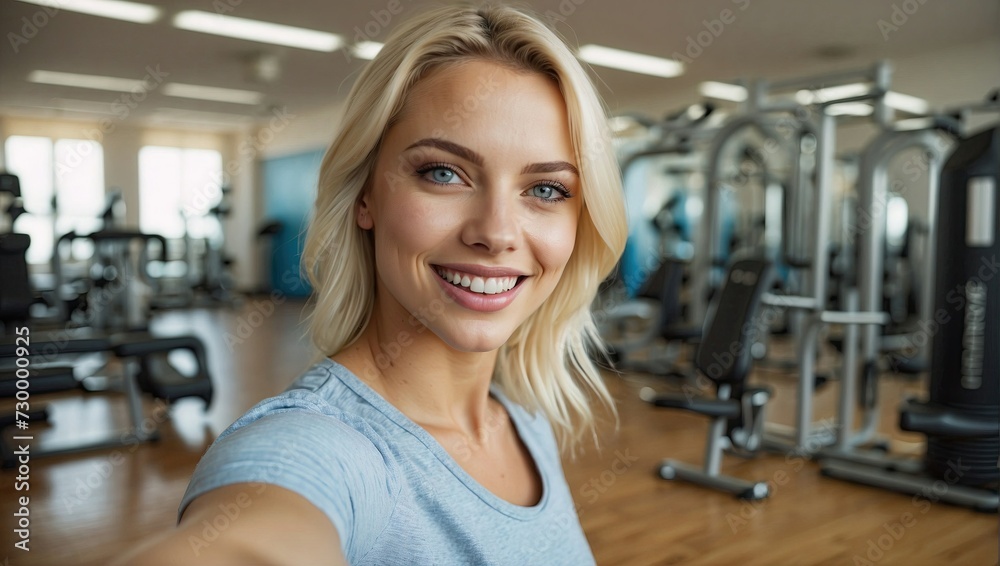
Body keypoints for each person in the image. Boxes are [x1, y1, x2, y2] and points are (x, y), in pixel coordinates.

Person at [119, 3, 627, 564]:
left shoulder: (524, 419)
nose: (497, 233)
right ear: (367, 195)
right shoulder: (325, 447)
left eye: (547, 190)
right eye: (443, 173)